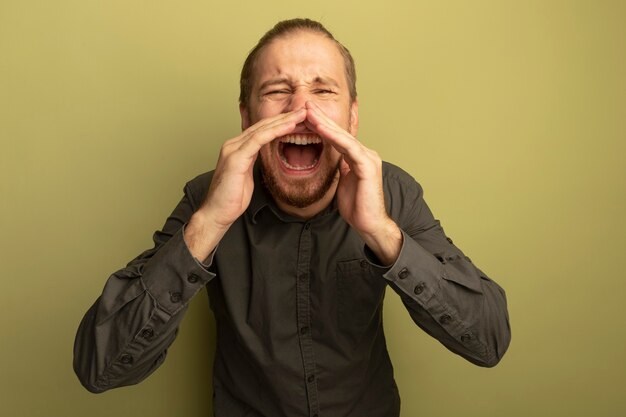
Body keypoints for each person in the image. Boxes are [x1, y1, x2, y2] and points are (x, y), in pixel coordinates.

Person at [74, 18, 510, 417]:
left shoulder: (392, 191)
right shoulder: (206, 197)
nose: (302, 110)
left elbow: (488, 341)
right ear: (247, 117)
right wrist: (209, 224)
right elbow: (100, 369)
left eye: (323, 91)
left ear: (352, 117)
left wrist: (382, 233)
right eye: (277, 91)